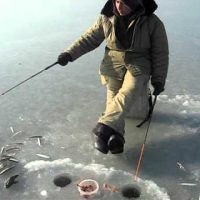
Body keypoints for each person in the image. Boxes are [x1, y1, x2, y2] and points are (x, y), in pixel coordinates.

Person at [57, 0, 169, 154]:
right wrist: (69, 54)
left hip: (139, 63)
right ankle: (116, 137)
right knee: (113, 98)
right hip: (113, 63)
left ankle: (103, 128)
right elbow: (89, 39)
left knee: (131, 89)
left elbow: (160, 52)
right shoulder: (106, 17)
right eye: (116, 1)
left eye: (124, 3)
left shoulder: (152, 22)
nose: (119, 7)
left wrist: (159, 79)